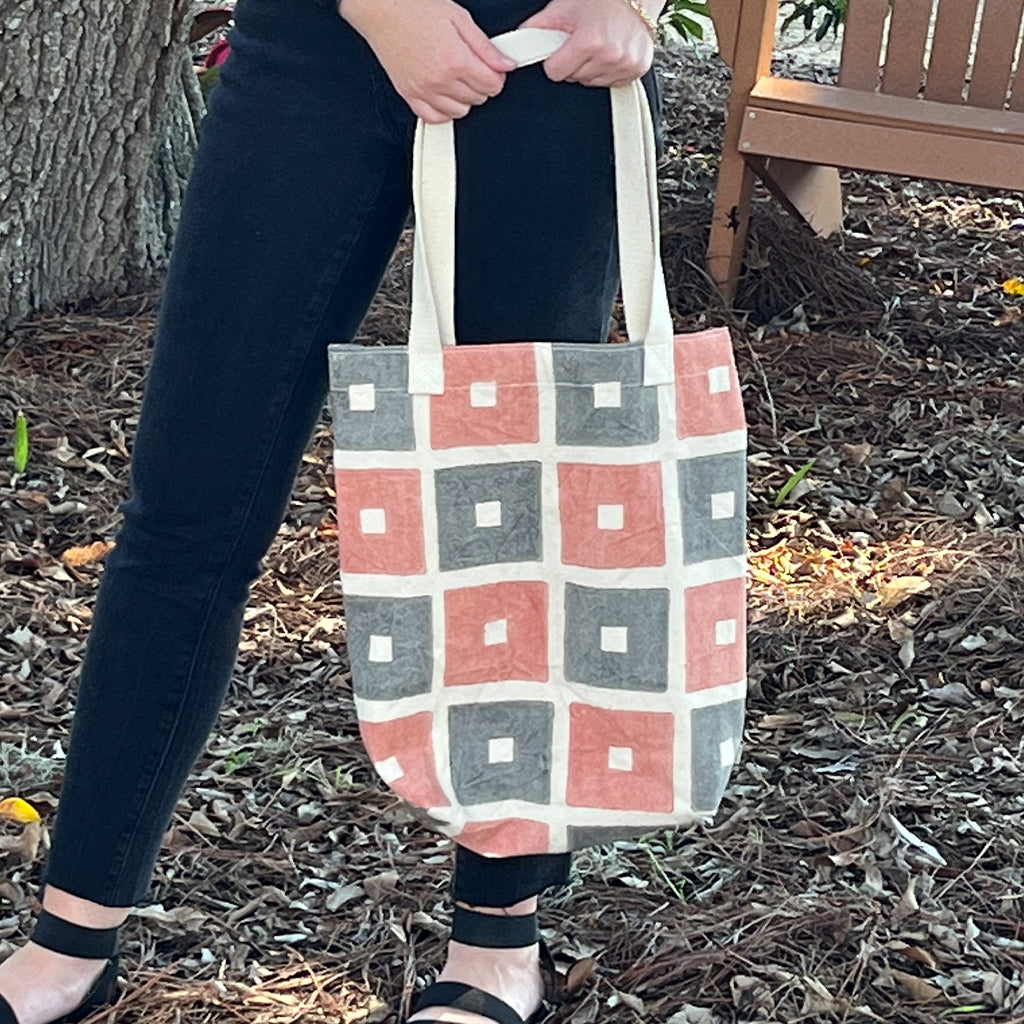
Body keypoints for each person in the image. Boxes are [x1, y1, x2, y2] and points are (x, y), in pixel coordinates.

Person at [0, 0, 665, 1022]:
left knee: (514, 525)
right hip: (320, 40)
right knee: (187, 506)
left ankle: (497, 943)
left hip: (557, 47)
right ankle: (69, 941)